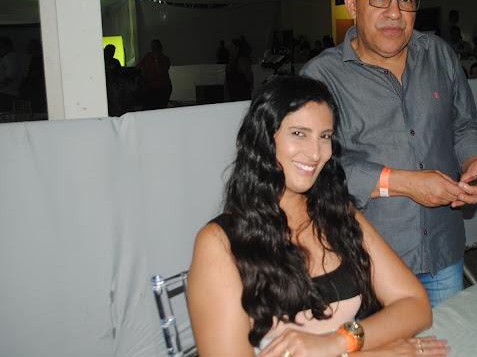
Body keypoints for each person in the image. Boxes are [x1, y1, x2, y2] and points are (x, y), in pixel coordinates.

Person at [187, 75, 450, 357]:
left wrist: (340, 342)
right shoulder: (220, 241)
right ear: (263, 139)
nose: (315, 153)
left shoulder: (336, 213)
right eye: (299, 133)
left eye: (324, 136)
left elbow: (415, 303)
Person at [301, 0, 477, 307]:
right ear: (352, 4)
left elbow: (465, 124)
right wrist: (406, 183)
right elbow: (317, 166)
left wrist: (472, 162)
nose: (395, 12)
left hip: (441, 251)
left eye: (406, 0)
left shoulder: (439, 55)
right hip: (366, 262)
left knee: (447, 336)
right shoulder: (321, 76)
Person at [0, 36, 26, 113]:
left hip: (5, 96)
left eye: (0, 46)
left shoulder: (10, 57)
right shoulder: (9, 58)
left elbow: (12, 73)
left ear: (8, 46)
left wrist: (4, 82)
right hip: (3, 95)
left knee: (1, 116)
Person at [136, 39, 172, 110]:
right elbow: (138, 65)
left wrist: (156, 60)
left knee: (161, 107)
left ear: (160, 48)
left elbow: (160, 72)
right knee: (151, 108)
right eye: (152, 47)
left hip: (163, 88)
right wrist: (143, 70)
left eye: (156, 47)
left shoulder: (165, 59)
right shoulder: (148, 56)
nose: (154, 50)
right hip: (151, 87)